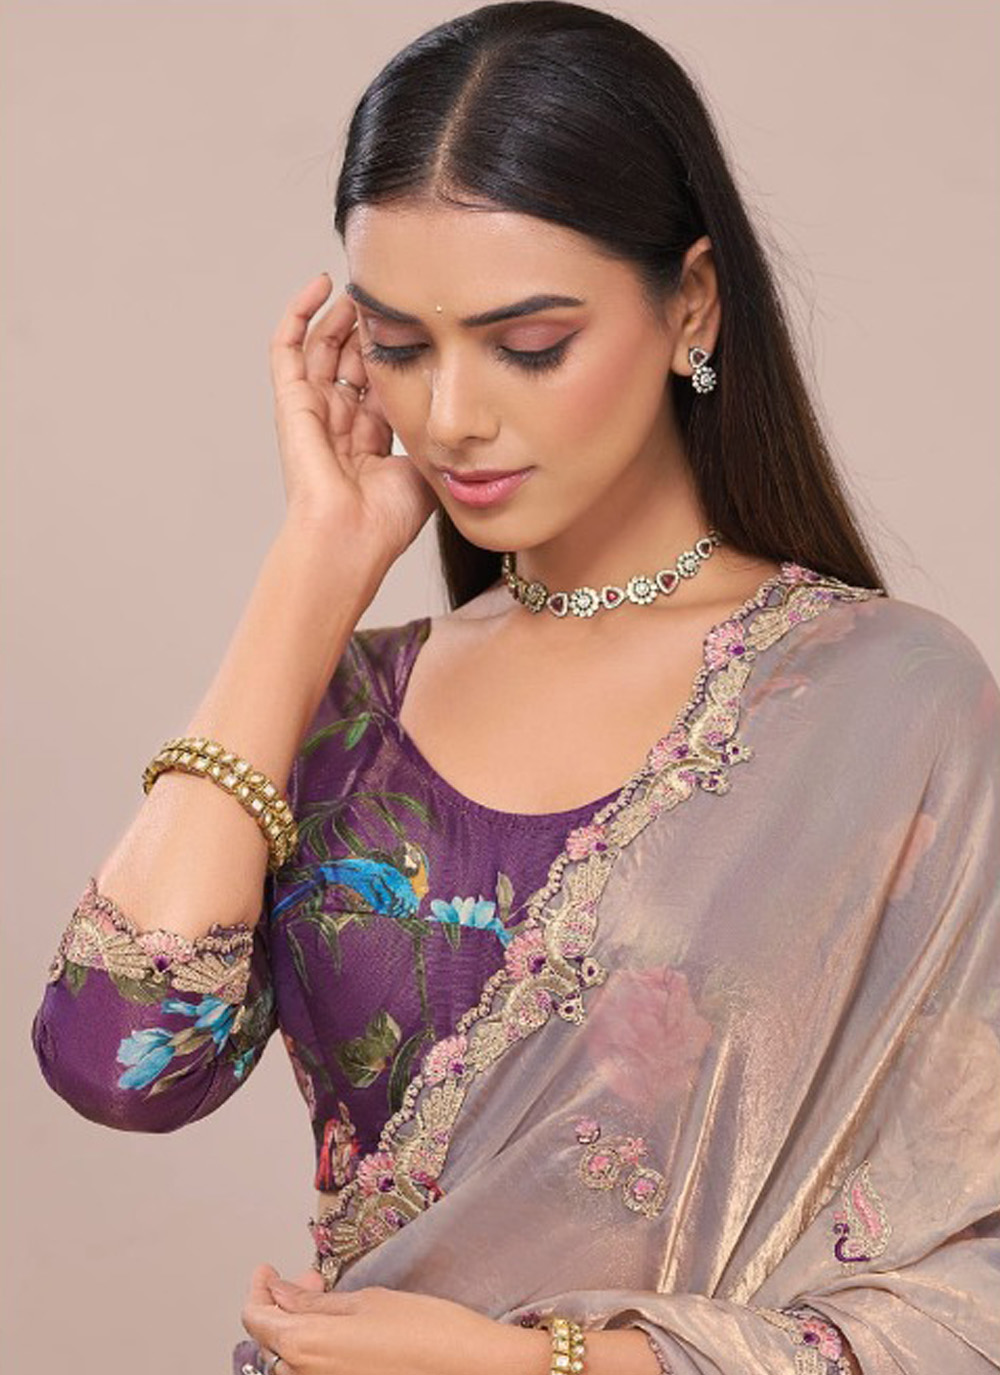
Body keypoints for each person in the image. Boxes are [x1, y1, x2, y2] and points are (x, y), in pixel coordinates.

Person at [31, 3, 1000, 1373]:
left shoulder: (886, 707)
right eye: (399, 346)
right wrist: (312, 571)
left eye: (529, 344)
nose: (451, 418)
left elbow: (974, 1284)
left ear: (692, 304)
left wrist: (547, 1366)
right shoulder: (348, 710)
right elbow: (117, 1060)